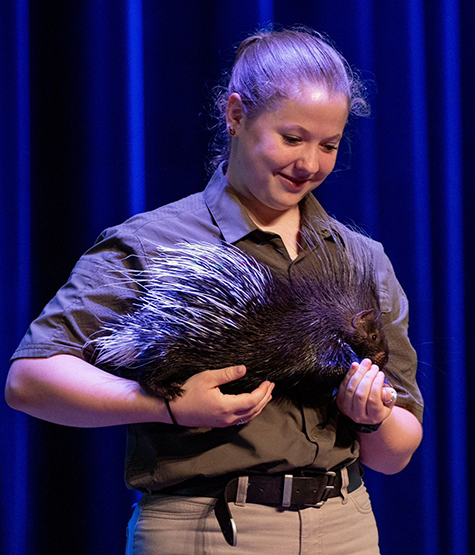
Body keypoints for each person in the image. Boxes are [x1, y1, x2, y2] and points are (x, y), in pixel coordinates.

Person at [5, 27, 423, 555]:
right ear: (236, 115)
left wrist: (374, 416)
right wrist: (167, 407)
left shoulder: (363, 258)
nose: (310, 164)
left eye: (329, 145)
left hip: (344, 527)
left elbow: (395, 453)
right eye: (292, 138)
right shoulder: (150, 241)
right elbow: (29, 380)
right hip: (205, 528)